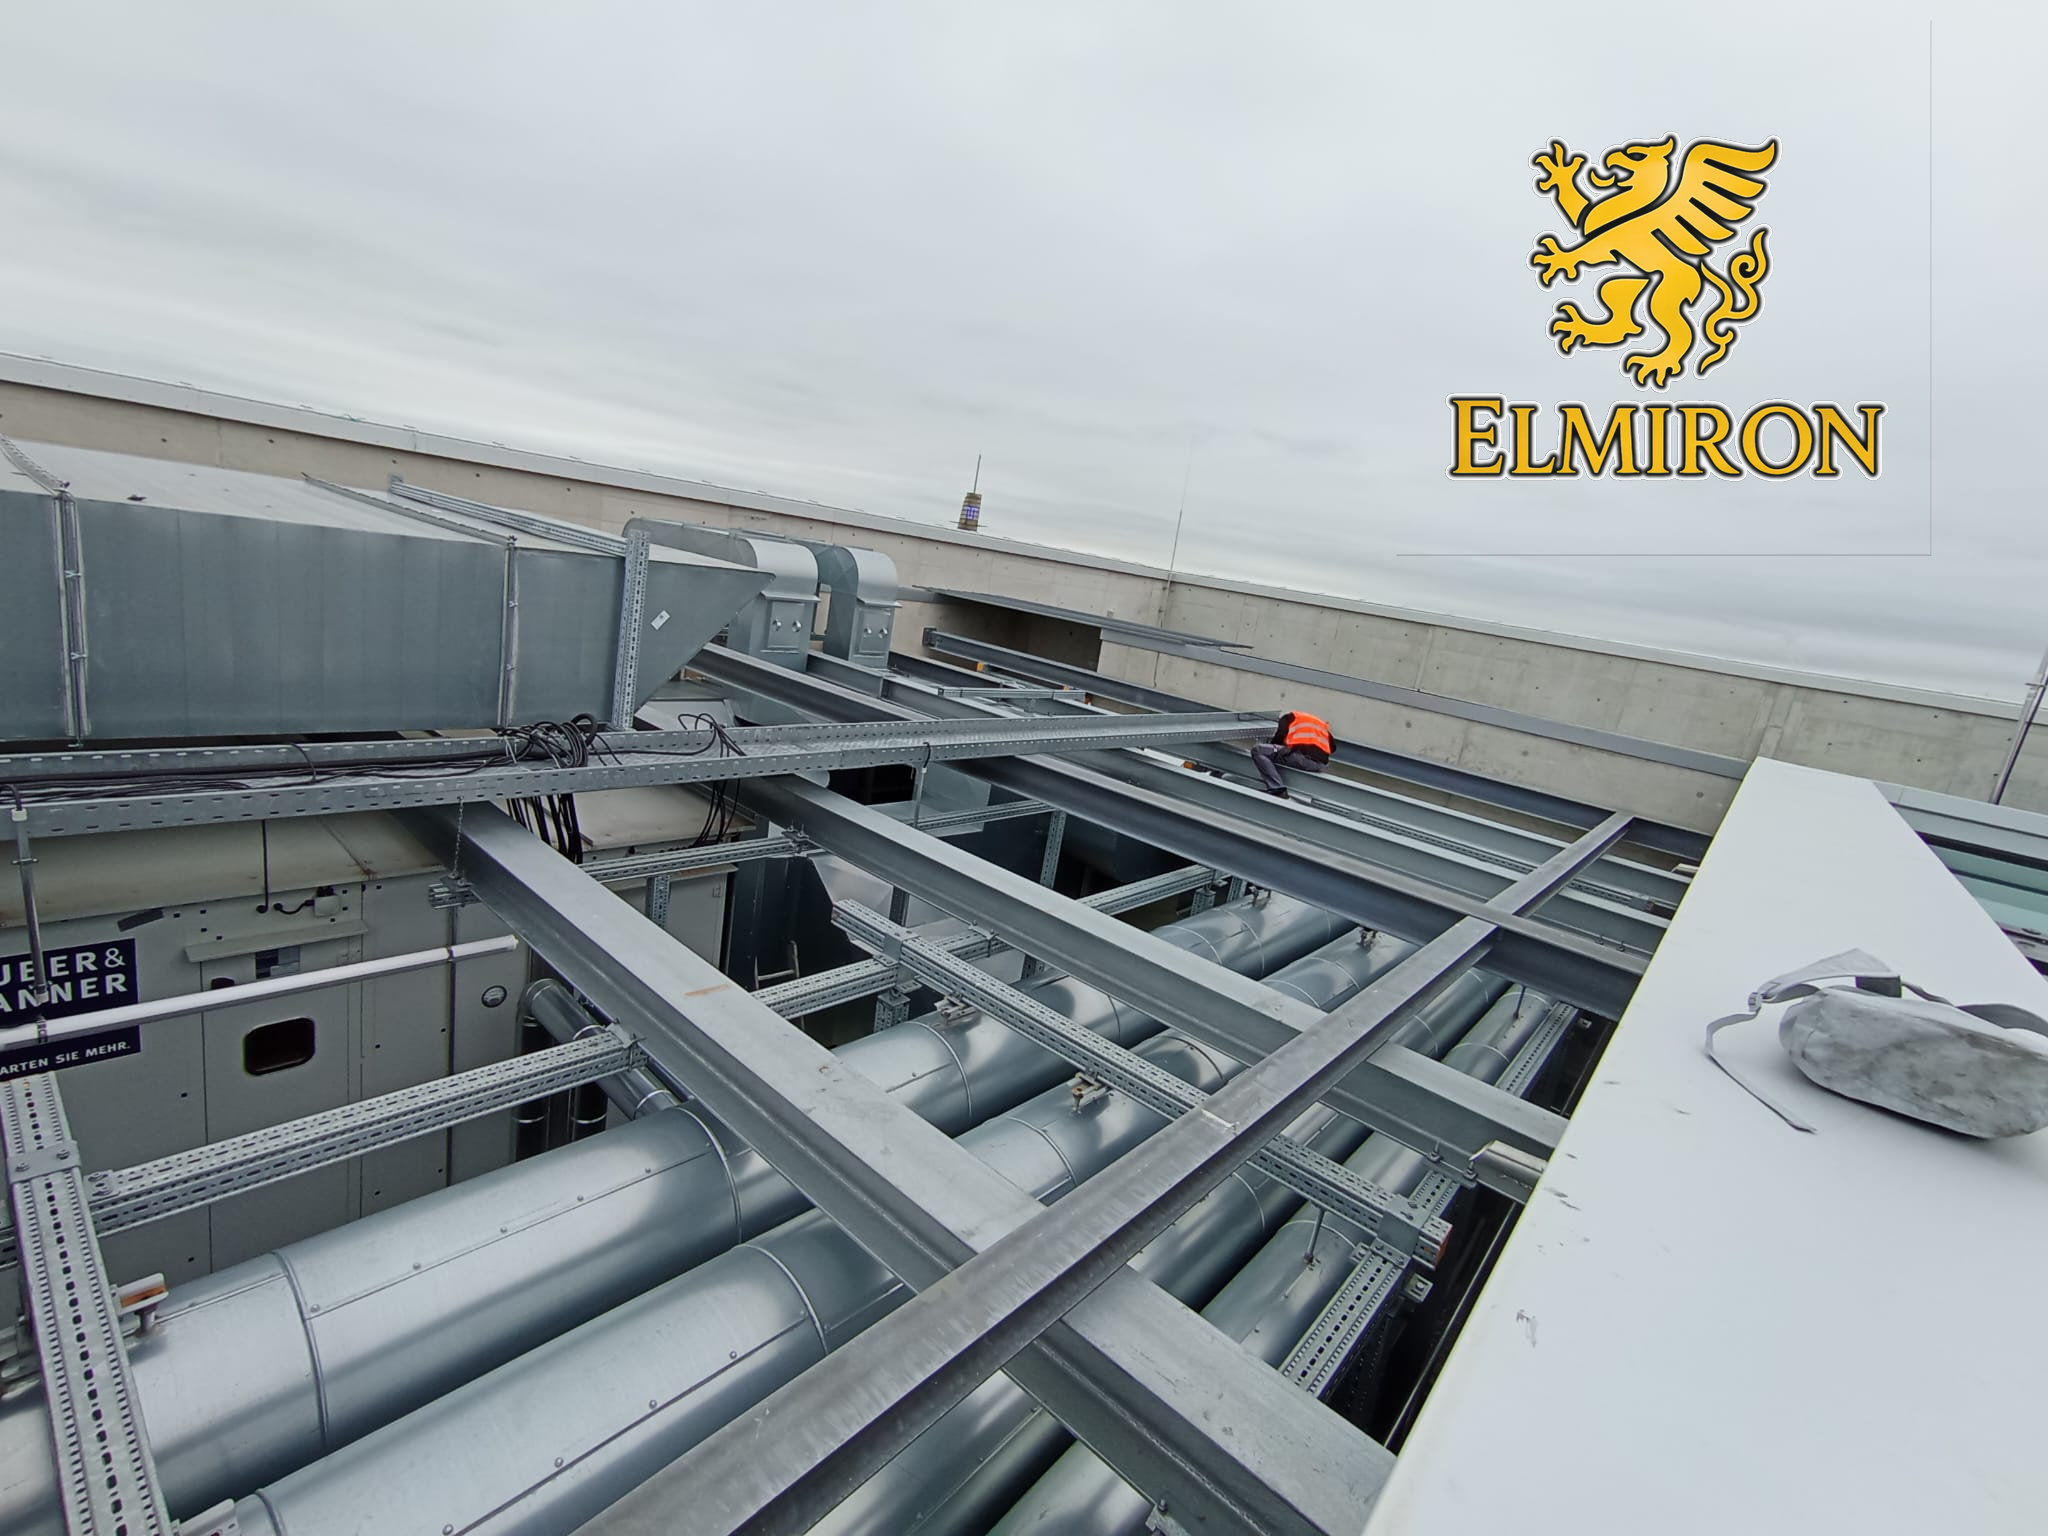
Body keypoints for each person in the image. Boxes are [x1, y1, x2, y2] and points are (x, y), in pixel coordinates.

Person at [1251, 709, 1333, 797]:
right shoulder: (1317, 723)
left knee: (1258, 750)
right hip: (1321, 765)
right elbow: (1332, 747)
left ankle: (1277, 788)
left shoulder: (1286, 719)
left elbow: (1278, 739)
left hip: (1304, 759)